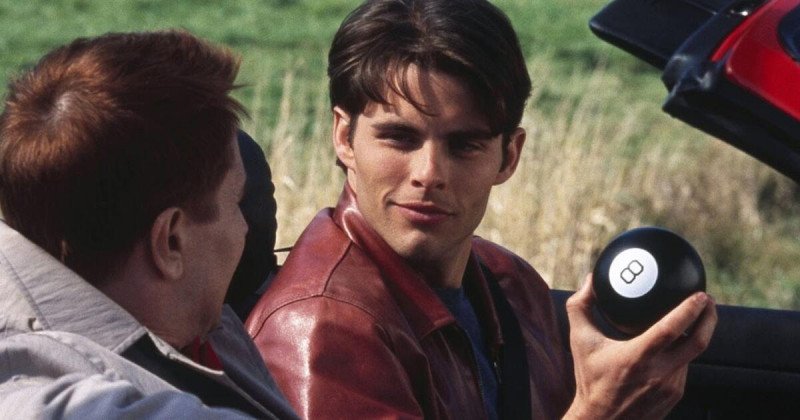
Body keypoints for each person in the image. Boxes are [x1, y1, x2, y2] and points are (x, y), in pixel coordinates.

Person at [244, 0, 718, 419]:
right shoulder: (321, 329)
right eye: (399, 137)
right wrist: (599, 413)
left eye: (464, 144)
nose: (429, 173)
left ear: (509, 156)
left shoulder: (512, 283)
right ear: (344, 138)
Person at [0, 30, 297, 419]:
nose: (245, 228)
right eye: (235, 202)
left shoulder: (193, 318)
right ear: (171, 241)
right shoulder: (34, 386)